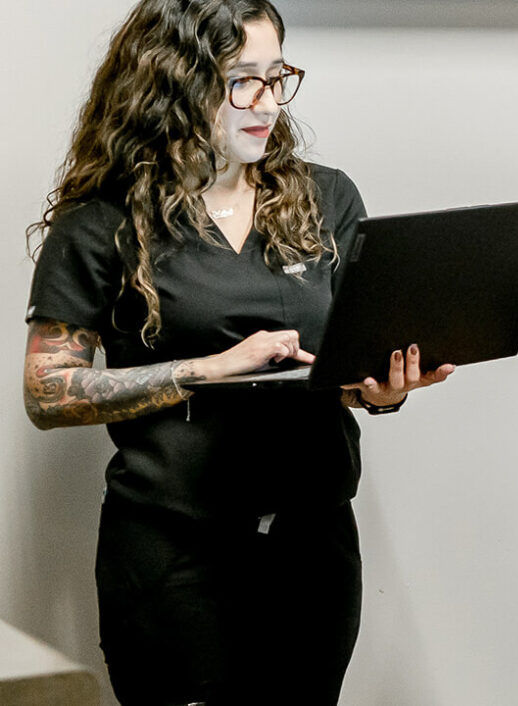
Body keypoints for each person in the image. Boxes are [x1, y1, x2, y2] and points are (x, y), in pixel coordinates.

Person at [22, 0, 452, 702]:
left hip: (312, 549)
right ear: (173, 83)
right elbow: (47, 391)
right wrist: (205, 370)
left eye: (277, 76)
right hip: (173, 553)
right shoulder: (103, 221)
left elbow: (343, 362)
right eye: (241, 81)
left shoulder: (325, 197)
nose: (269, 103)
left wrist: (378, 389)